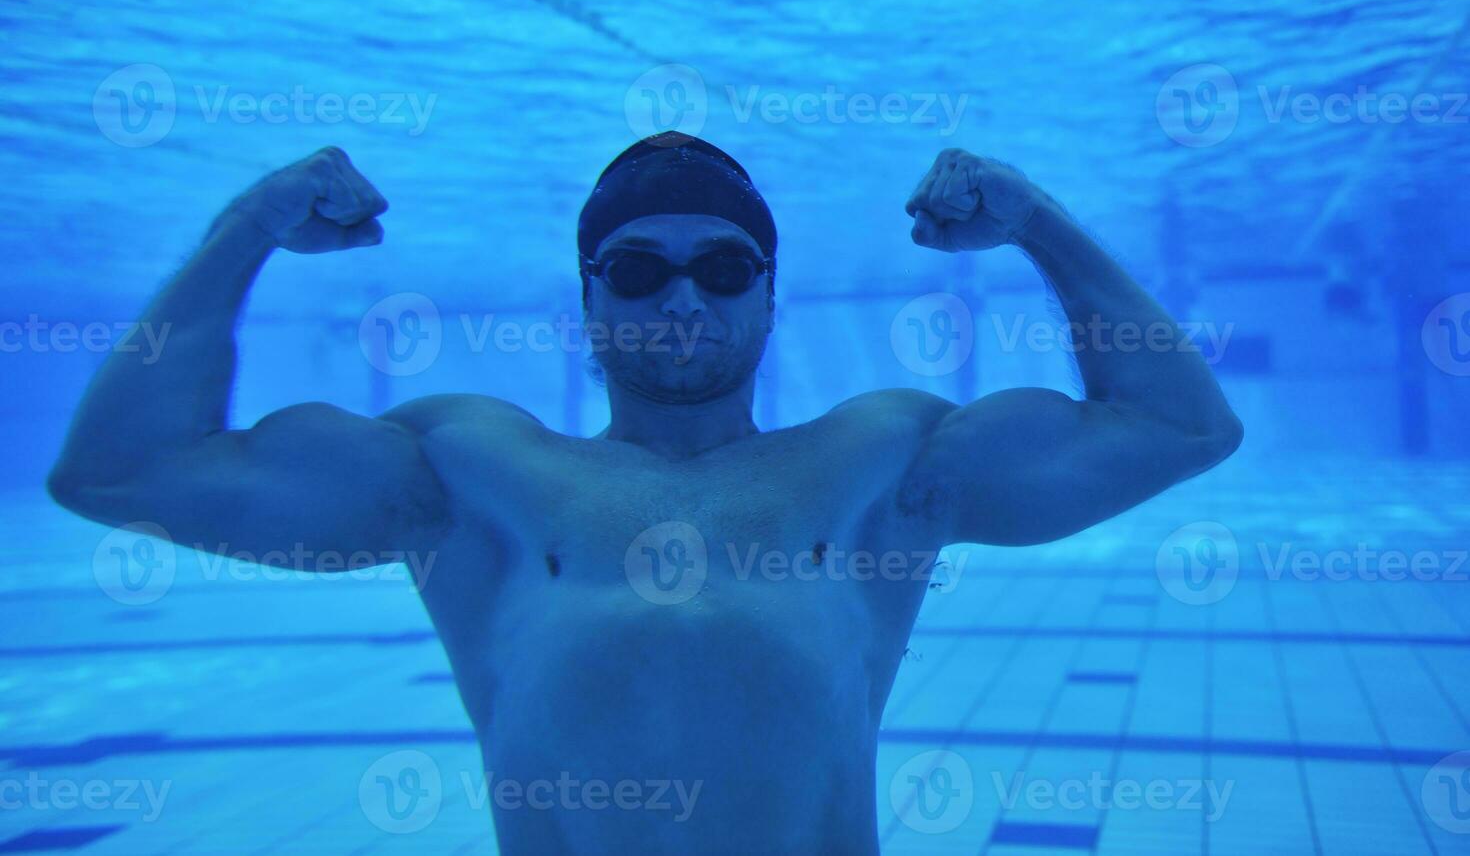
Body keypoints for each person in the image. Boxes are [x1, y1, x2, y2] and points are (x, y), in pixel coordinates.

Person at [47, 133, 1243, 854]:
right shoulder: (468, 474)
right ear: (589, 298)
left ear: (771, 294)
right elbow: (122, 470)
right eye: (637, 269)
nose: (683, 302)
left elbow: (1179, 424)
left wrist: (1037, 220)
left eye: (724, 267)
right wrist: (247, 226)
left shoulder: (883, 463)